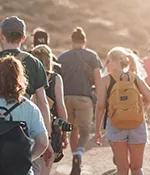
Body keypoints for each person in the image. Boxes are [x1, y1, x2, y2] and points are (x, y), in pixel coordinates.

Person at [0, 16, 53, 170]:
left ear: (1, 36)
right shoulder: (34, 62)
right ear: (23, 38)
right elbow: (43, 103)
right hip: (24, 127)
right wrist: (47, 137)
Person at [95, 47, 150, 175]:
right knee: (137, 168)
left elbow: (100, 106)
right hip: (137, 123)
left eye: (108, 61)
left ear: (113, 61)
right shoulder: (134, 77)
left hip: (116, 124)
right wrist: (140, 108)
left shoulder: (105, 80)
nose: (107, 65)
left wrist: (98, 130)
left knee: (122, 169)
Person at [58, 27, 103, 175]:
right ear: (85, 41)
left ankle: (74, 157)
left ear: (72, 41)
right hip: (84, 98)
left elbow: (58, 80)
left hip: (66, 99)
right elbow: (97, 79)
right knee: (84, 132)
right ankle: (78, 155)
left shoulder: (62, 57)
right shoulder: (92, 56)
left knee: (73, 130)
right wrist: (99, 98)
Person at [31, 44, 69, 175]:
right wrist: (65, 132)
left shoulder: (26, 78)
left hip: (28, 127)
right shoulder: (55, 78)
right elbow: (61, 107)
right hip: (50, 129)